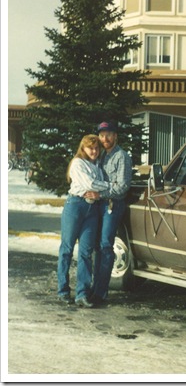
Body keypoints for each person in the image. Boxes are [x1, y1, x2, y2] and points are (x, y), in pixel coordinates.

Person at [57, 135, 111, 308]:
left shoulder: (98, 165)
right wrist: (109, 186)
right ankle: (63, 291)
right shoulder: (78, 163)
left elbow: (96, 184)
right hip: (75, 206)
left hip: (92, 209)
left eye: (96, 148)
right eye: (90, 148)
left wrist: (101, 186)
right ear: (83, 148)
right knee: (67, 249)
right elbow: (90, 184)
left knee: (86, 252)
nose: (94, 151)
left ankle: (82, 293)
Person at [87, 121, 132, 306]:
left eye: (108, 135)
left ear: (115, 136)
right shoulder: (100, 155)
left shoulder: (122, 157)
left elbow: (122, 187)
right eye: (102, 135)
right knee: (96, 246)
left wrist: (101, 194)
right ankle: (94, 287)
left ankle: (101, 293)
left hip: (112, 205)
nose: (105, 138)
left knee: (106, 245)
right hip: (98, 205)